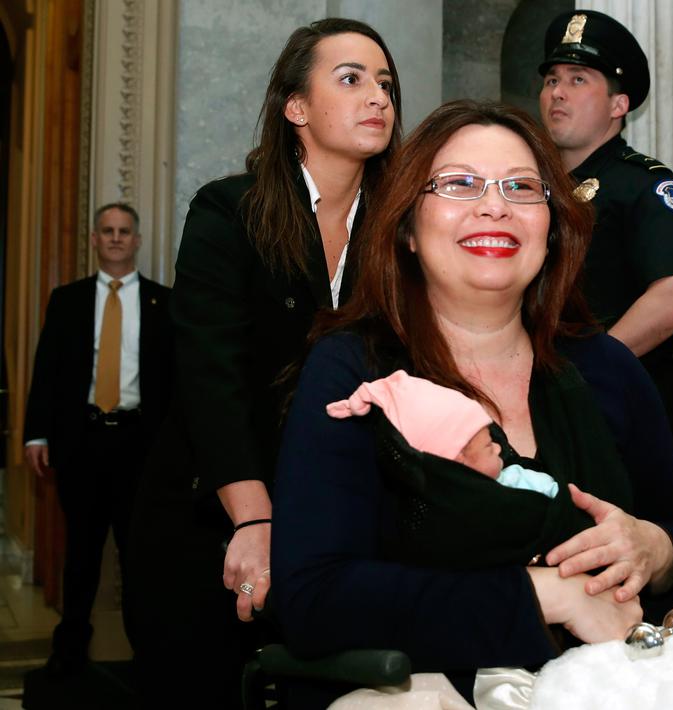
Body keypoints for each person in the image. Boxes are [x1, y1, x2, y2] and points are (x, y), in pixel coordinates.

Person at [272, 100, 673, 709]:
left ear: (552, 229)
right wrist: (544, 596)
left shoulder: (606, 367)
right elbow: (314, 597)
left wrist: (655, 550)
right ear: (406, 229)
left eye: (522, 188)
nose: (493, 205)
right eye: (459, 184)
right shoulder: (352, 370)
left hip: (605, 685)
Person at [125, 18, 402, 708]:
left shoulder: (401, 231)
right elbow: (207, 376)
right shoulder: (229, 212)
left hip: (344, 521)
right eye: (352, 79)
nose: (378, 97)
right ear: (296, 108)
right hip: (210, 510)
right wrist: (253, 520)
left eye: (387, 84)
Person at [538, 10, 673, 448]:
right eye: (552, 80)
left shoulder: (646, 185)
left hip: (618, 411)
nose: (558, 92)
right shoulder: (532, 186)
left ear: (619, 105)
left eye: (578, 80)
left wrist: (588, 372)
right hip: (545, 403)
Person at [22, 203, 172, 677]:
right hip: (81, 443)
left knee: (139, 556)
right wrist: (35, 435)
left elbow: (175, 383)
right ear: (94, 238)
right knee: (81, 554)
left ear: (137, 240)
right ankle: (68, 658)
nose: (115, 238)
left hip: (138, 448)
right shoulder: (66, 299)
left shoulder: (163, 303)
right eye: (107, 231)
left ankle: (148, 658)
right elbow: (46, 371)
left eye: (124, 231)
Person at [325, 370, 561, 497]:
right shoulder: (438, 512)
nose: (501, 449)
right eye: (489, 446)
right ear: (458, 462)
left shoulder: (516, 479)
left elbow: (560, 498)